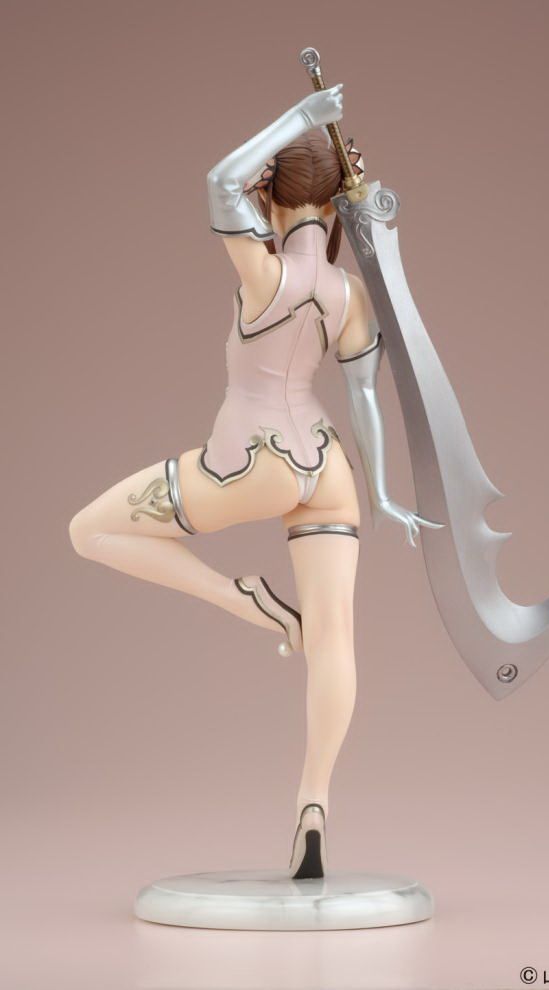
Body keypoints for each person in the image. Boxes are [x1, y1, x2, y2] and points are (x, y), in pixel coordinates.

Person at [69, 84, 438, 879]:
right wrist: (379, 494)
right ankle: (314, 803)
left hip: (249, 462)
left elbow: (216, 180)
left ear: (267, 191)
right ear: (331, 202)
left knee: (88, 530)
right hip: (327, 469)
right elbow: (364, 399)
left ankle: (248, 602)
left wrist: (302, 120)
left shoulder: (263, 273)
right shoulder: (349, 294)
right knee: (334, 638)